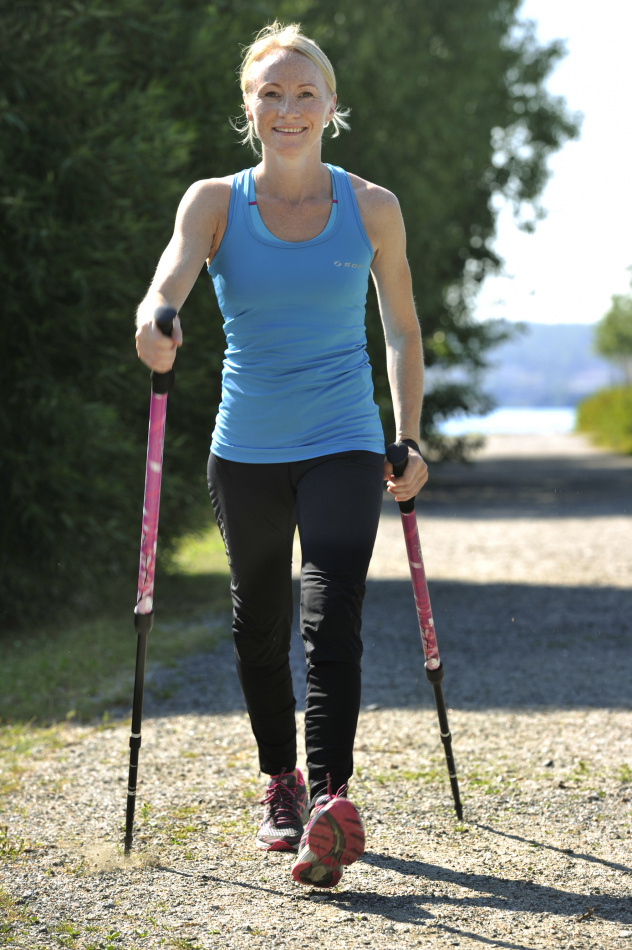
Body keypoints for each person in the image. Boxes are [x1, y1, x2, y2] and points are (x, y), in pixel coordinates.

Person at [135, 21, 428, 888]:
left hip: (343, 436)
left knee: (328, 608)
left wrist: (407, 434)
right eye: (272, 93)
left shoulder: (371, 207)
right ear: (249, 107)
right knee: (255, 623)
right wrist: (156, 324)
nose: (289, 108)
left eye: (306, 93)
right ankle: (283, 782)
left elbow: (402, 331)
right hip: (248, 446)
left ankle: (334, 803)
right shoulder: (215, 202)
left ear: (332, 106)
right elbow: (168, 282)